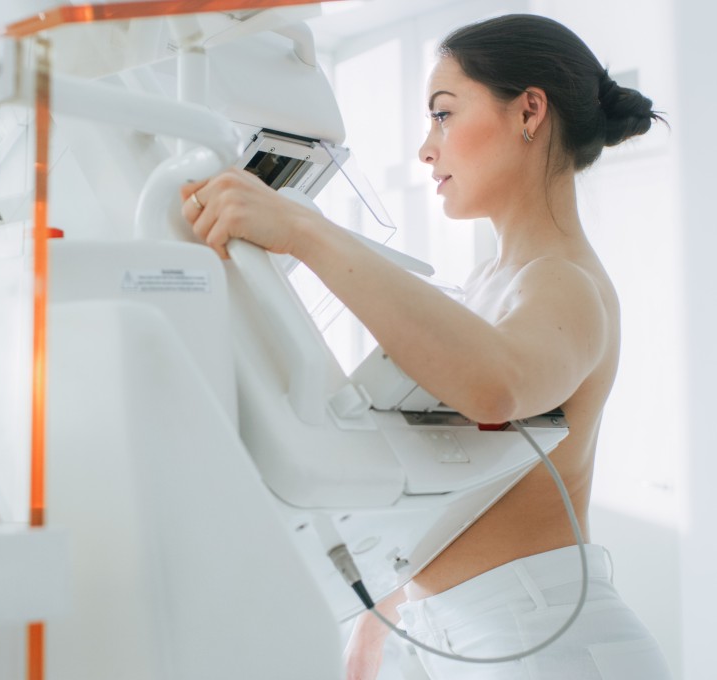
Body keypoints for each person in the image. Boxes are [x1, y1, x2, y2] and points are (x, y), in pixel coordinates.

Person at [179, 13, 672, 680]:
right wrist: (388, 606)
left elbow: (495, 384)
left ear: (529, 111)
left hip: (547, 646)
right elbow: (456, 477)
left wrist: (303, 231)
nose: (425, 150)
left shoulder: (567, 284)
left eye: (443, 114)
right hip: (473, 636)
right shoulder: (494, 282)